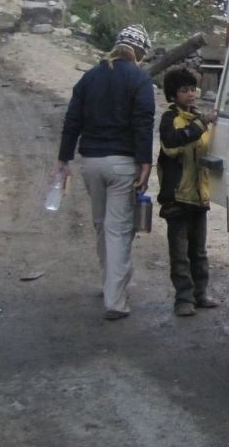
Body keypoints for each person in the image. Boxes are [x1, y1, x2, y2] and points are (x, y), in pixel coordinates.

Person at [54, 24, 155, 321]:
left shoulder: (90, 77)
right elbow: (143, 123)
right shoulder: (139, 79)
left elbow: (72, 121)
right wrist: (145, 163)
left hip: (91, 163)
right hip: (123, 164)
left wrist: (63, 160)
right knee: (119, 230)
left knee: (101, 224)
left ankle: (109, 283)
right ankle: (116, 300)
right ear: (140, 52)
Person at [156, 68, 220, 317]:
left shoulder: (196, 117)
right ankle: (183, 298)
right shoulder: (170, 119)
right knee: (180, 253)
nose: (191, 94)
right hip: (177, 197)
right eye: (184, 90)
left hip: (198, 196)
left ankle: (200, 294)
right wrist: (202, 123)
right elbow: (172, 143)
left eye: (192, 89)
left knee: (199, 251)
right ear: (173, 94)